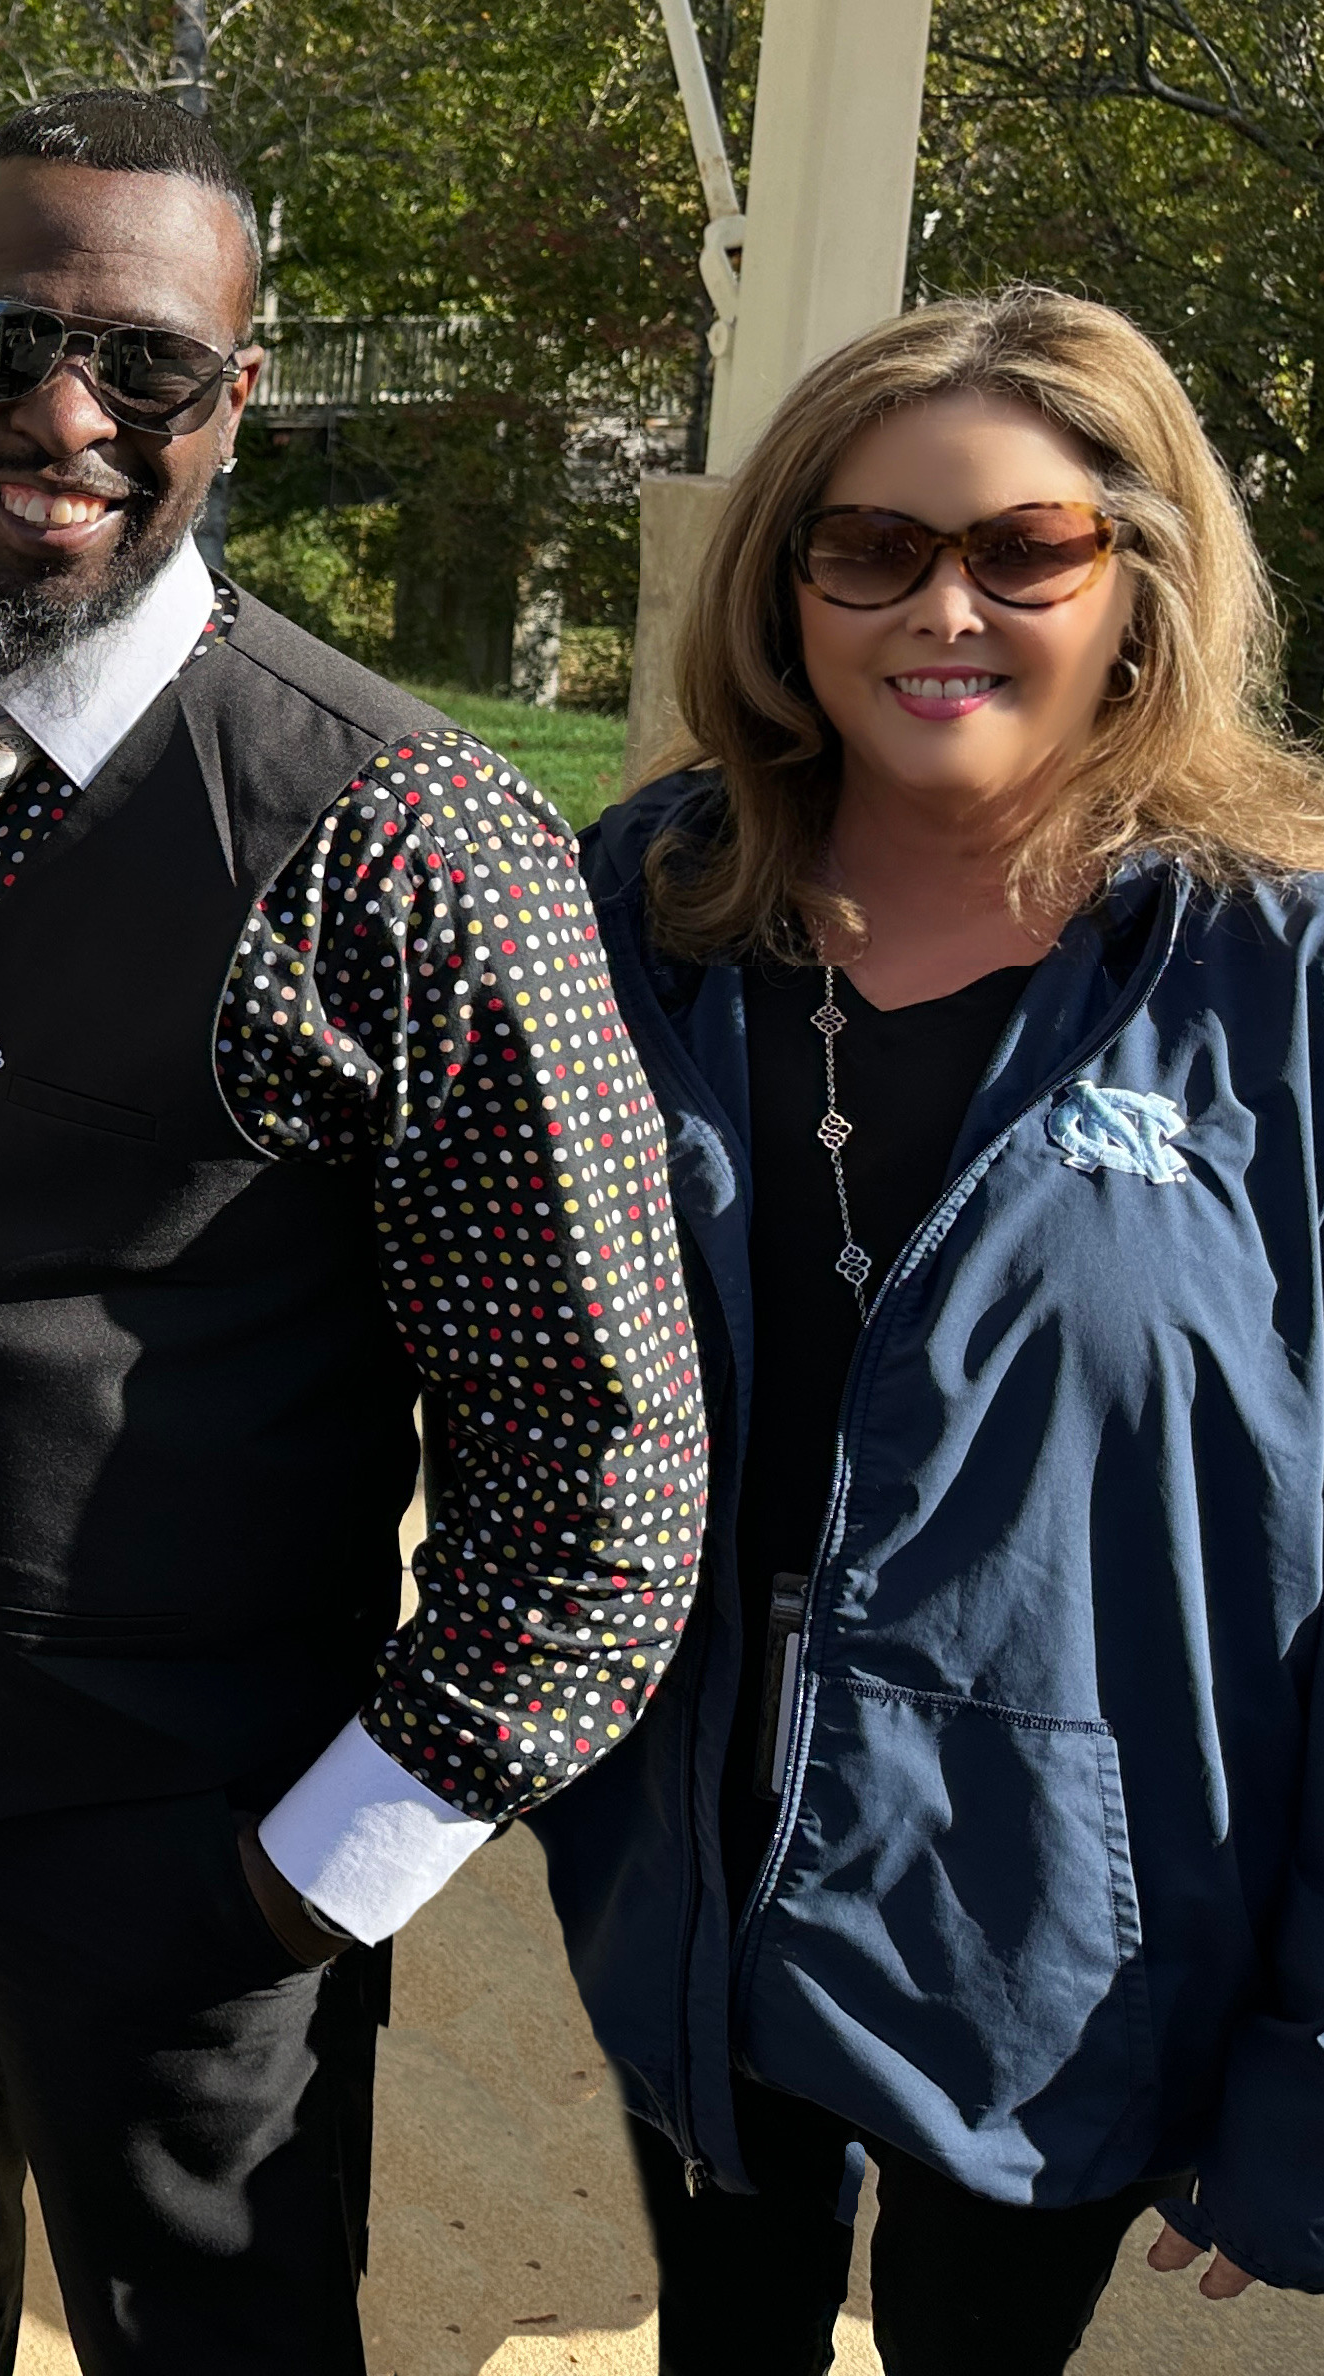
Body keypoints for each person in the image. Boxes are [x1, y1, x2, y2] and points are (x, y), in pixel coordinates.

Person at [0, 90, 707, 2371]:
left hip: (179, 1848)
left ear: (233, 398)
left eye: (141, 361)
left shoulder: (409, 841)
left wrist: (304, 1880)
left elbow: (605, 1462)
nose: (60, 413)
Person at [535, 289, 1324, 2366]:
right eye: (869, 549)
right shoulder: (637, 915)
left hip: (1065, 1910)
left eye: (1022, 551)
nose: (937, 609)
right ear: (788, 581)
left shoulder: (1277, 974)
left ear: (1137, 581)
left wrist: (1315, 2047)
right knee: (731, 2331)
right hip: (684, 1847)